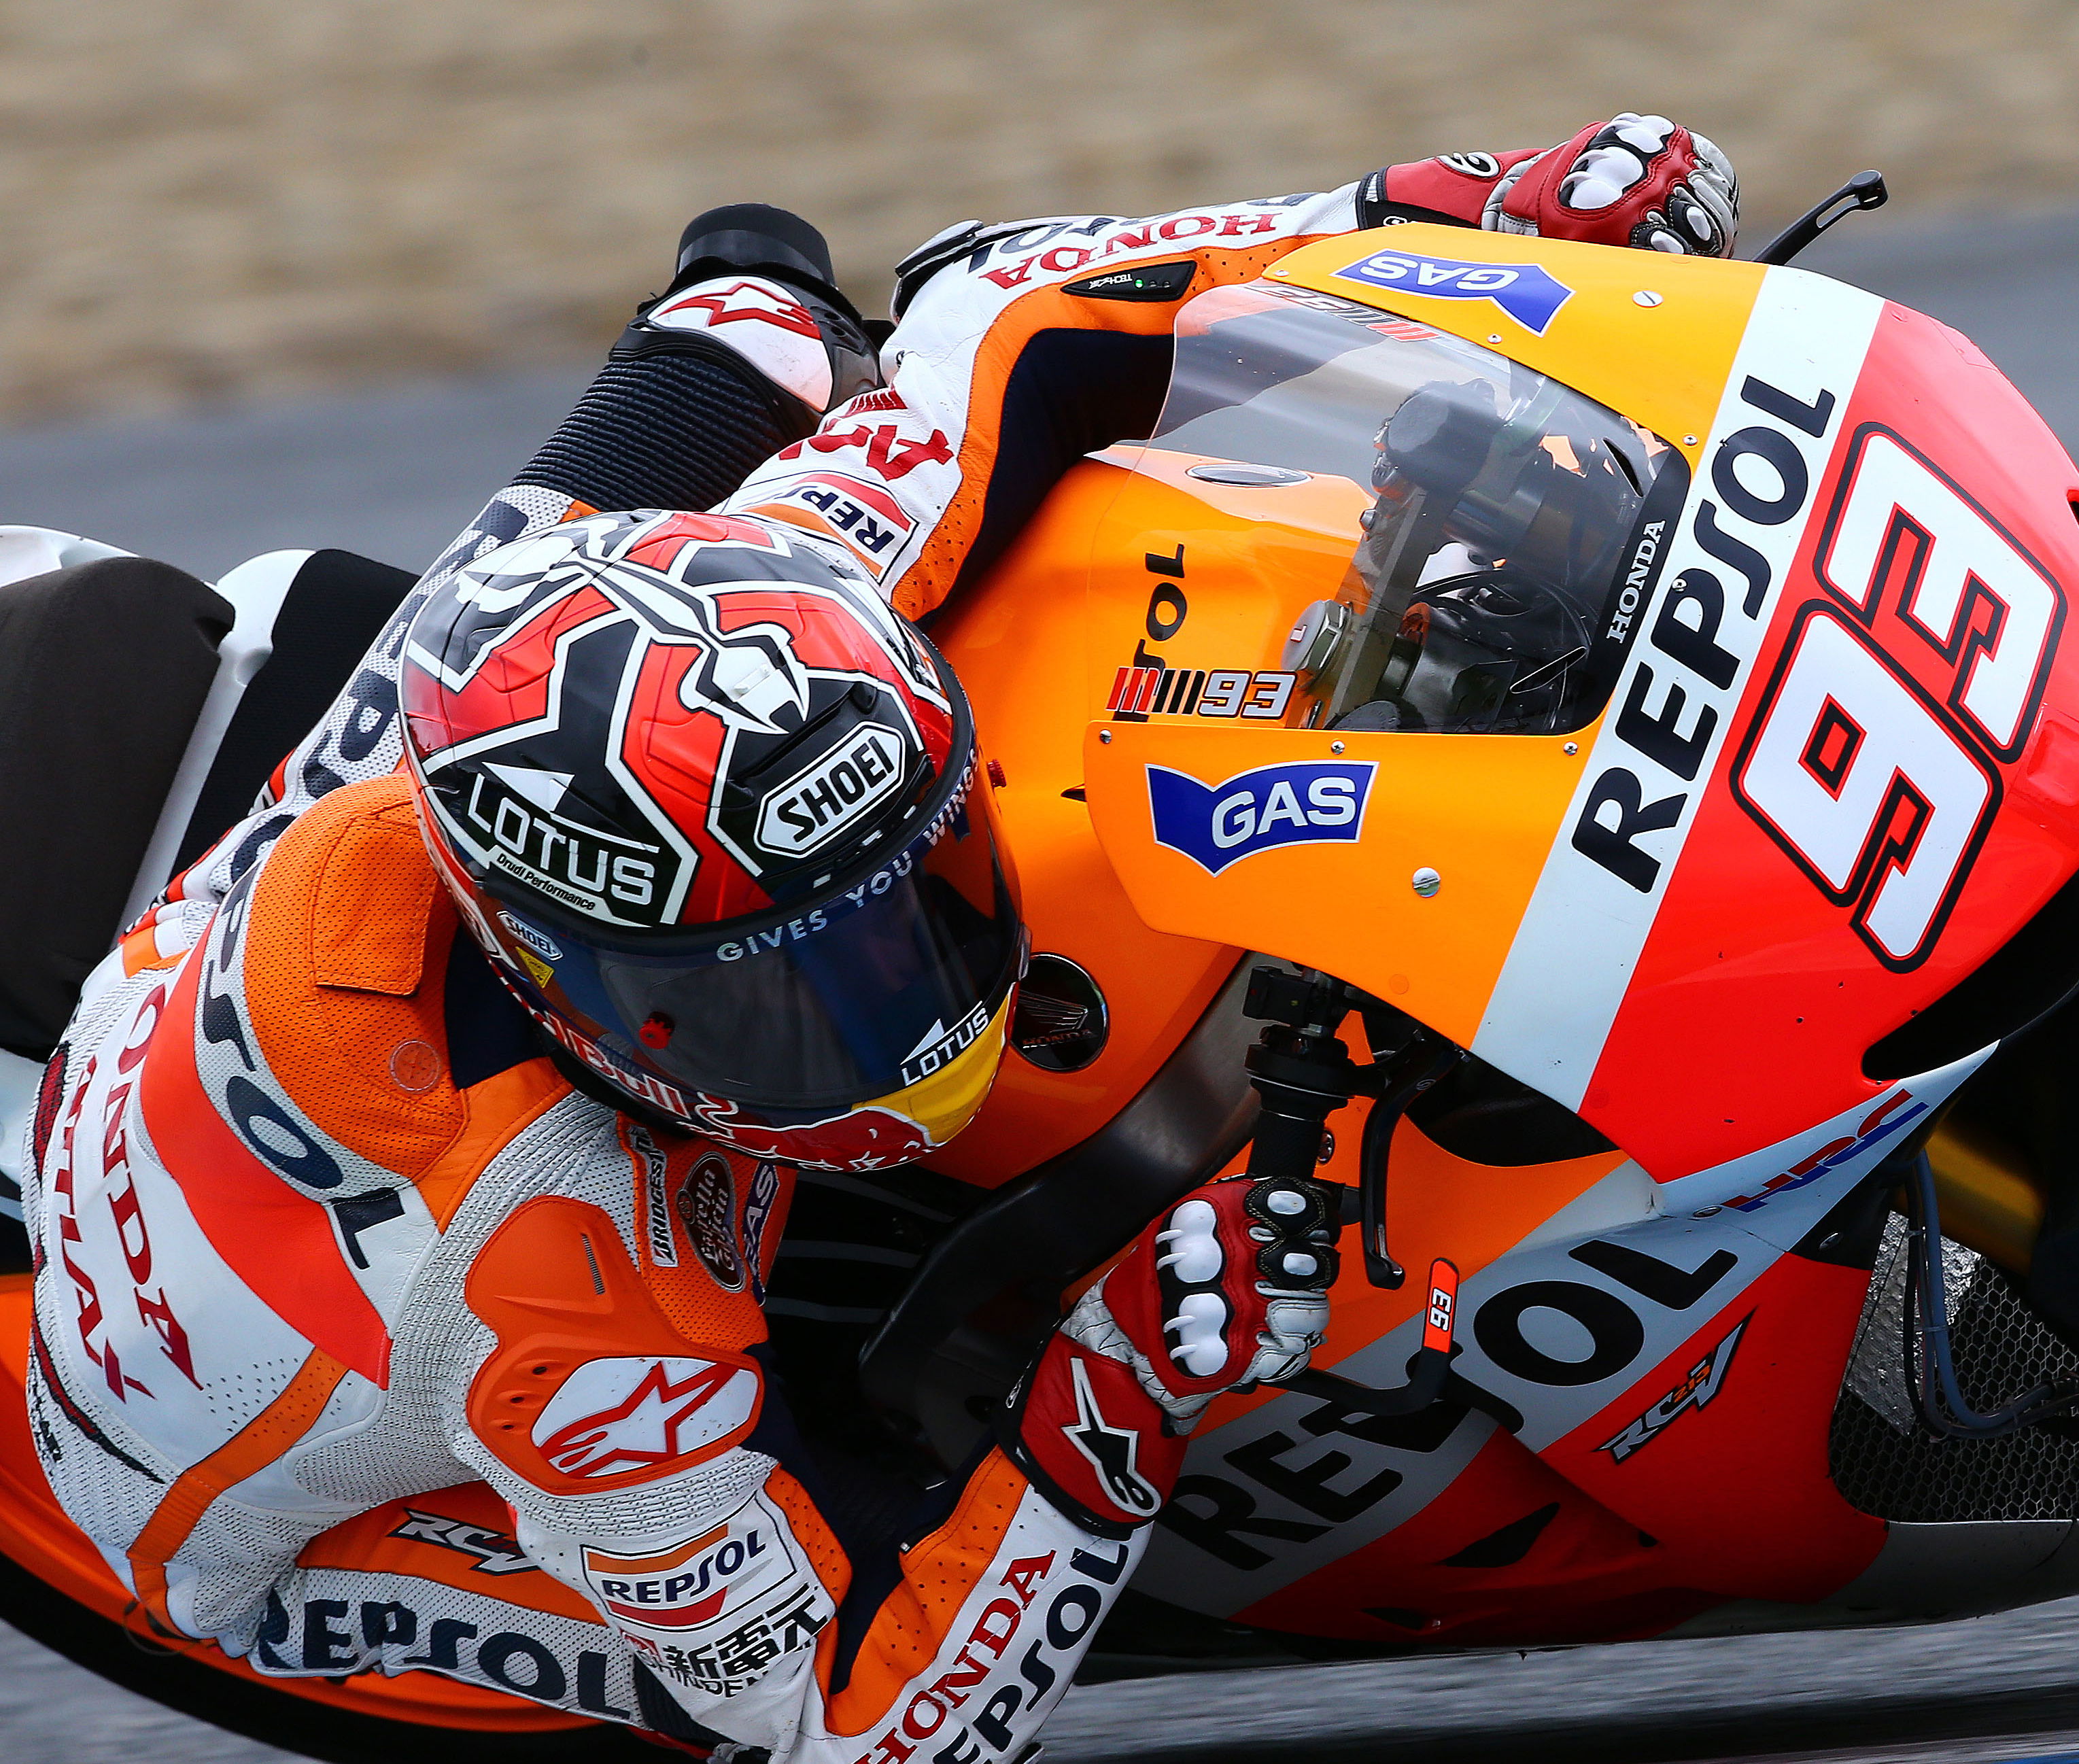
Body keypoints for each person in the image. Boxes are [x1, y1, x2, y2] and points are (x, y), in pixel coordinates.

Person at [7, 117, 1737, 1758]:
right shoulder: (555, 1305)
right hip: (236, 1448)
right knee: (753, 1653)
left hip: (294, 871)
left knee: (755, 329)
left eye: (916, 898)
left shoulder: (771, 584)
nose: (899, 1018)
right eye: (784, 1002)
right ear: (576, 992)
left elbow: (1004, 309)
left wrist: (1441, 207)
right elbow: (853, 1721)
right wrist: (1112, 1397)